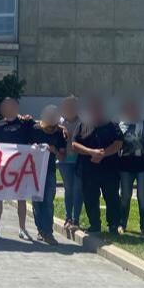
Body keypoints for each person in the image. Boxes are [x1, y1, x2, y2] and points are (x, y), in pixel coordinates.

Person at [72, 96, 124, 234]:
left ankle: (113, 225)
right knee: (90, 198)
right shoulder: (83, 125)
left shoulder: (112, 124)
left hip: (109, 170)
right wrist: (92, 152)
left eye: (98, 108)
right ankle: (95, 225)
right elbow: (74, 144)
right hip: (88, 170)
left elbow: (119, 143)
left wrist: (103, 154)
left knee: (112, 198)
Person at [0, 97, 36, 239]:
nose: (8, 108)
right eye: (5, 106)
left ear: (16, 107)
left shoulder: (26, 123)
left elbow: (42, 129)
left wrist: (62, 128)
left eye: (11, 105)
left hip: (22, 167)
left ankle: (22, 228)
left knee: (21, 198)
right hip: (3, 167)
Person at [116, 97, 144, 235]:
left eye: (133, 108)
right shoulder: (120, 124)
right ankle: (121, 224)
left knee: (142, 196)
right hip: (125, 166)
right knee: (125, 195)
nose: (131, 111)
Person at [28, 105, 65, 244]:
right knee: (37, 203)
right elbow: (26, 147)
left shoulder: (59, 133)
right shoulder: (34, 129)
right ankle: (40, 230)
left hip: (50, 171)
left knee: (48, 202)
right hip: (34, 172)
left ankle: (48, 232)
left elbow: (62, 156)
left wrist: (54, 150)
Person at [58, 96, 83, 231]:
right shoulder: (59, 122)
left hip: (79, 161)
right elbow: (42, 124)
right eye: (68, 106)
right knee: (68, 189)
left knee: (78, 190)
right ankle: (68, 217)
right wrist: (61, 126)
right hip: (64, 162)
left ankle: (76, 219)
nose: (70, 109)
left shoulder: (83, 122)